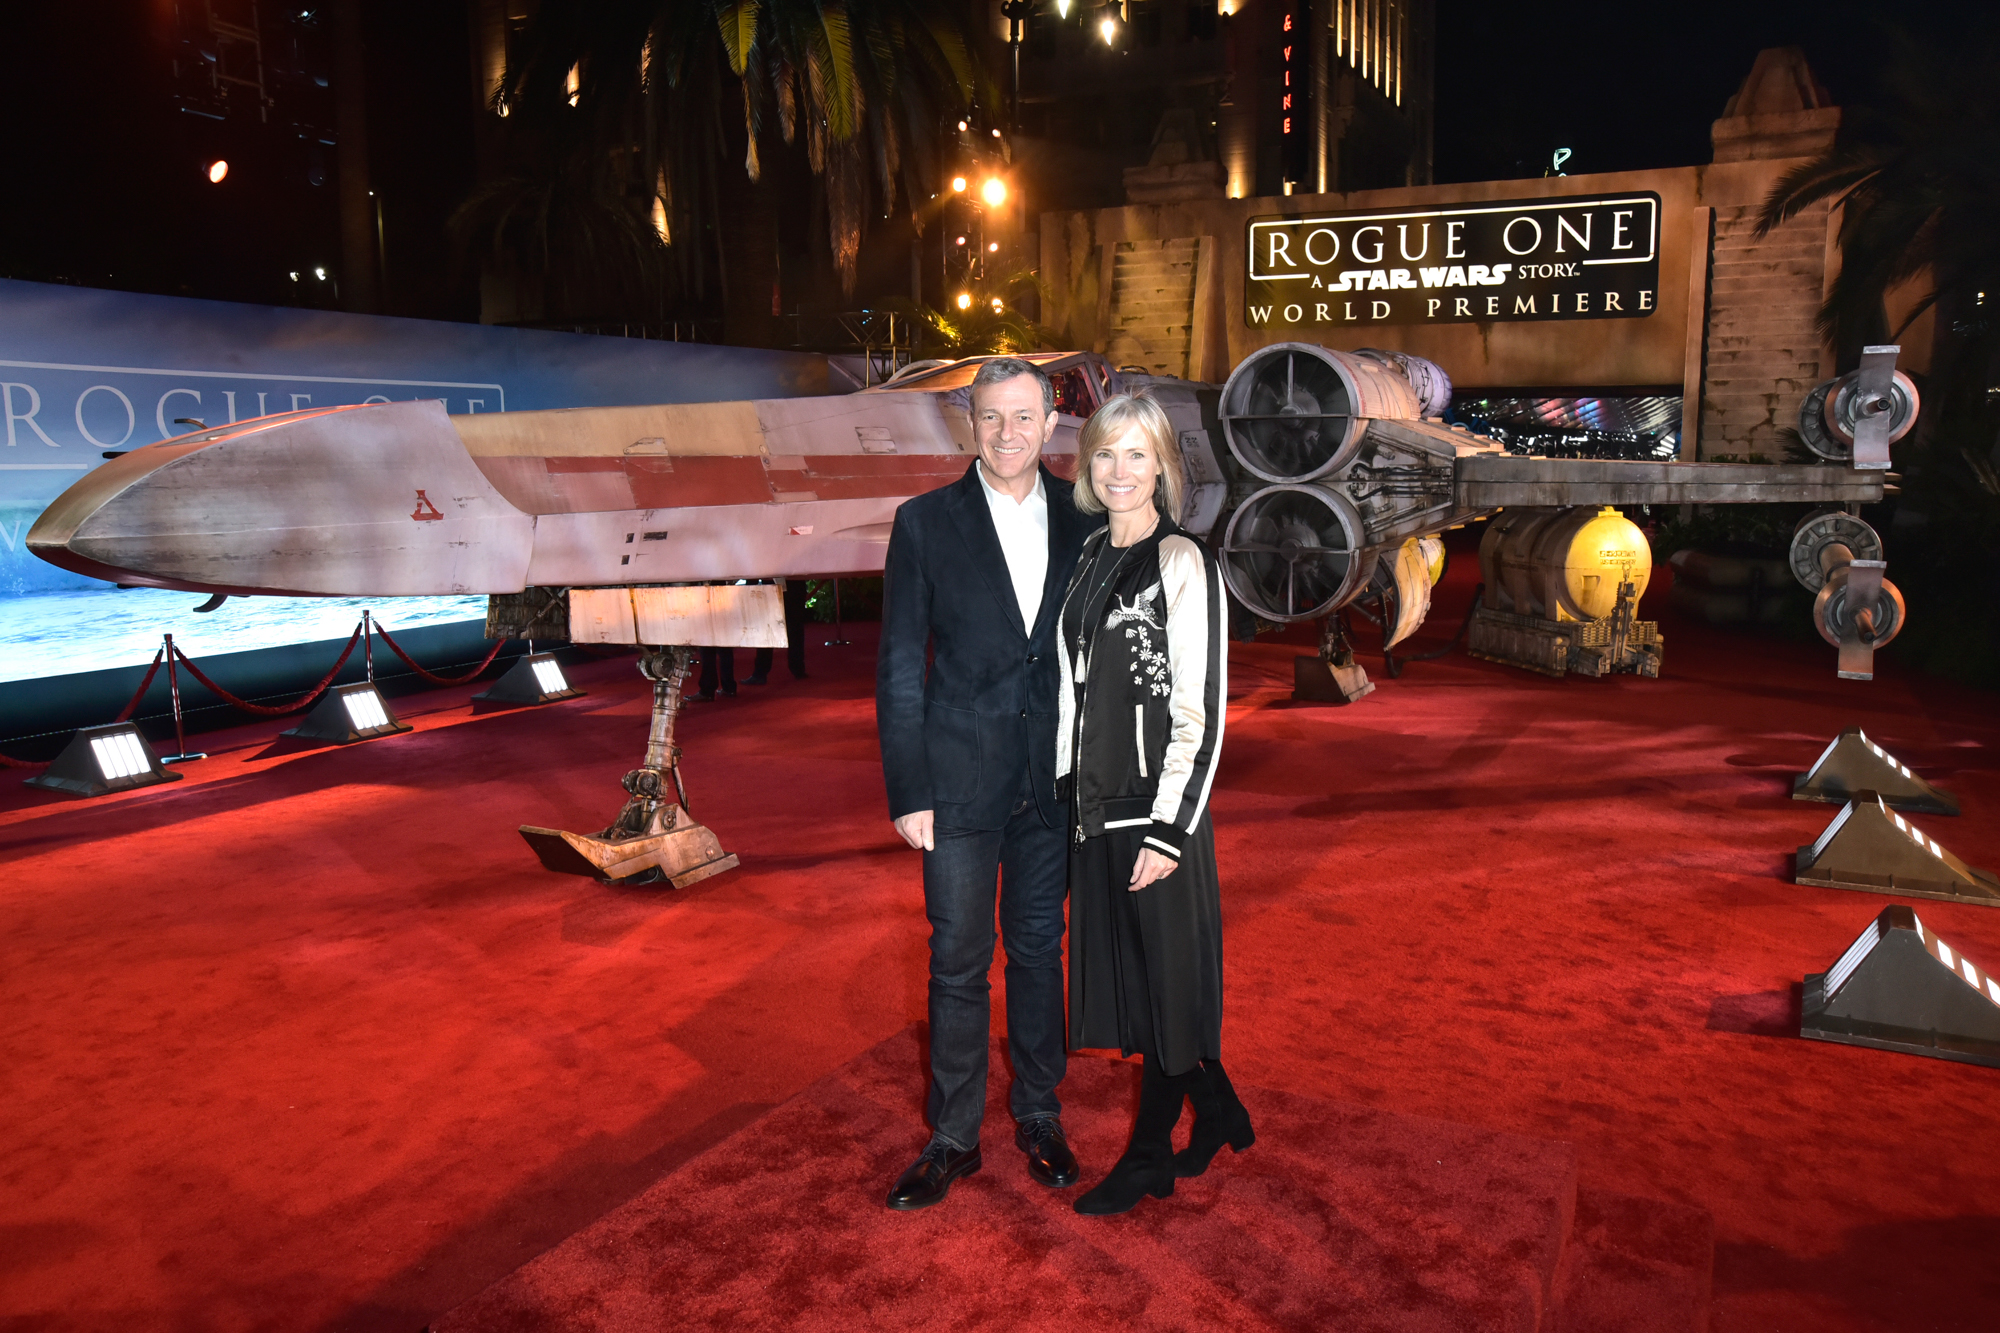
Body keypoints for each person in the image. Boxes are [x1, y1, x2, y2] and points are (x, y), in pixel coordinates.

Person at [875, 357, 1103, 1210]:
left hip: (1053, 782)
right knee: (958, 961)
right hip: (957, 784)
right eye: (991, 417)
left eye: (1023, 416)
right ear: (970, 425)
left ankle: (1040, 1113)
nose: (1008, 433)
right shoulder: (924, 522)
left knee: (1040, 952)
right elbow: (900, 666)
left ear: (1051, 423)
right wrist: (909, 790)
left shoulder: (1086, 519)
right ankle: (954, 1135)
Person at [1056, 391, 1253, 1216]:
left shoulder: (1182, 560)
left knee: (1169, 990)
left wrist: (1169, 831)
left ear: (1163, 466)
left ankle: (1149, 1158)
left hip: (1157, 814)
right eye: (1105, 453)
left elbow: (1199, 710)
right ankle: (1220, 1111)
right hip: (1096, 809)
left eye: (1137, 453)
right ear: (1087, 465)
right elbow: (1072, 690)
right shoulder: (1088, 554)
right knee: (1143, 988)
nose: (1119, 470)